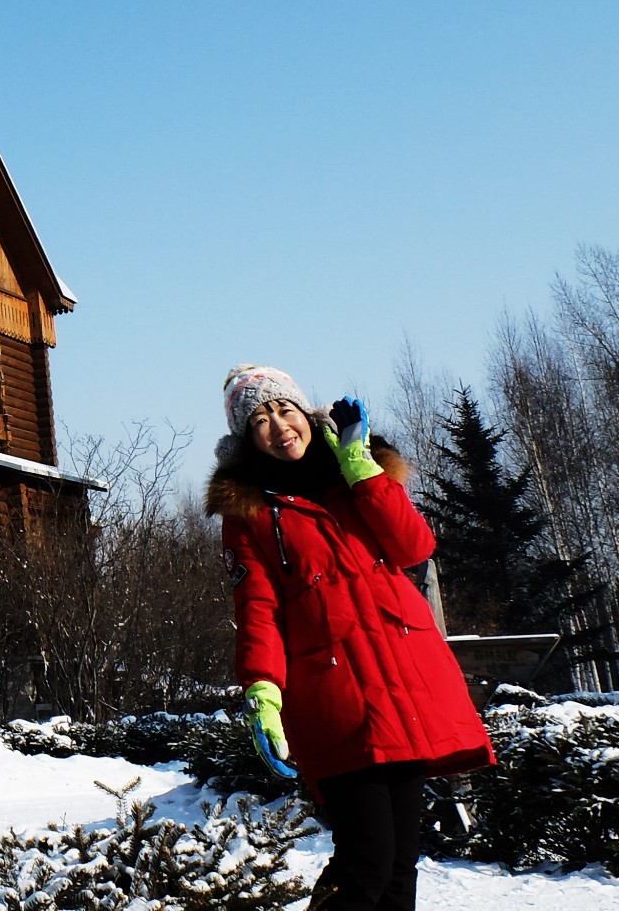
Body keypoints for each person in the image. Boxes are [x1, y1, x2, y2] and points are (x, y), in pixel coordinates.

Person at [207, 365, 493, 911]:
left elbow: (413, 547)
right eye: (259, 420)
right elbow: (258, 611)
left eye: (284, 408)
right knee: (366, 862)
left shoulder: (356, 475)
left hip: (405, 687)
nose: (278, 425)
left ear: (306, 411)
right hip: (334, 697)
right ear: (246, 440)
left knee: (399, 866)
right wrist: (263, 691)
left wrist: (360, 464)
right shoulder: (249, 513)